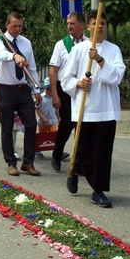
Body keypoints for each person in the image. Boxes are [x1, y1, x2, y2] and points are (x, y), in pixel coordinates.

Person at [61, 11, 125, 208]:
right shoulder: (79, 50)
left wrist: (99, 59)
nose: (99, 27)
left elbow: (116, 77)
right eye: (95, 23)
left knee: (102, 152)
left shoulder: (113, 50)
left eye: (103, 23)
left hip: (106, 109)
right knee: (84, 150)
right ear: (88, 26)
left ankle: (98, 190)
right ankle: (74, 172)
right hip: (86, 109)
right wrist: (79, 83)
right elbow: (65, 79)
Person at [0, 12, 42, 177]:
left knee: (31, 125)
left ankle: (28, 162)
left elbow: (32, 67)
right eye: (14, 26)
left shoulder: (26, 43)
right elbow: (0, 54)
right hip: (5, 89)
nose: (17, 29)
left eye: (20, 26)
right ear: (7, 25)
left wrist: (37, 89)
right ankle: (11, 162)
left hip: (23, 89)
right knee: (7, 128)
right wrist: (14, 56)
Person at [49, 12, 88, 171]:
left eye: (72, 23)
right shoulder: (61, 44)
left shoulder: (89, 43)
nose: (69, 26)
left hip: (83, 88)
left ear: (82, 24)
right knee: (66, 125)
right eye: (68, 23)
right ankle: (57, 154)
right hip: (65, 89)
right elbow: (53, 71)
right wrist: (55, 95)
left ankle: (80, 162)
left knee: (83, 127)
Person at [35, 77, 58, 158]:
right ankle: (38, 150)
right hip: (42, 121)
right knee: (42, 135)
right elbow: (37, 109)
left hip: (53, 120)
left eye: (51, 89)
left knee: (55, 135)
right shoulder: (41, 97)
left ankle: (57, 151)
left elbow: (57, 109)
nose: (49, 91)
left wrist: (58, 118)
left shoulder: (55, 97)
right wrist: (43, 118)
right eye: (48, 89)